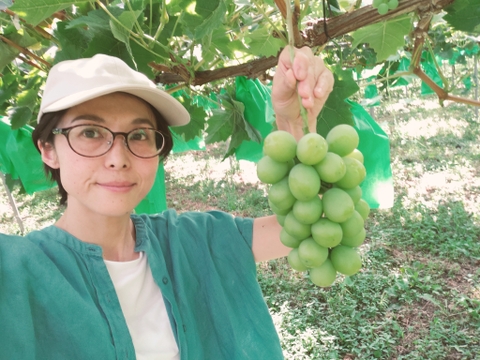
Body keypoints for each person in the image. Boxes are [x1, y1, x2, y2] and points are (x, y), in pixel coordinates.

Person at [0, 46, 333, 360]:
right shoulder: (15, 272)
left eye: (140, 135)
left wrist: (293, 123)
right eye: (90, 132)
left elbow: (311, 225)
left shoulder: (194, 239)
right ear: (48, 149)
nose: (118, 158)